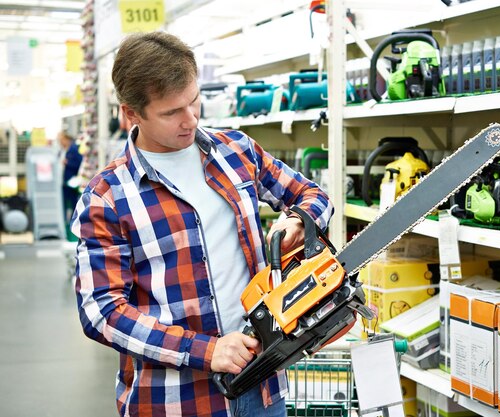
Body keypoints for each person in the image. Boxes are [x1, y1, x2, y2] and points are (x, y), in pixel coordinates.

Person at [71, 31, 333, 417]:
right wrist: (206, 351)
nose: (190, 119)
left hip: (264, 387)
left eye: (195, 101)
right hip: (173, 401)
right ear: (131, 113)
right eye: (172, 112)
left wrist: (299, 221)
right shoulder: (106, 198)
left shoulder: (236, 151)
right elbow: (102, 312)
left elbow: (313, 195)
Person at [57, 130, 83, 224]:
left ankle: (72, 222)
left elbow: (79, 163)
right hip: (65, 181)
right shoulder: (64, 150)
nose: (60, 142)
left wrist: (67, 163)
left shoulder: (73, 149)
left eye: (61, 140)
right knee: (65, 202)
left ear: (66, 139)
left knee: (73, 202)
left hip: (71, 181)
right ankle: (66, 222)